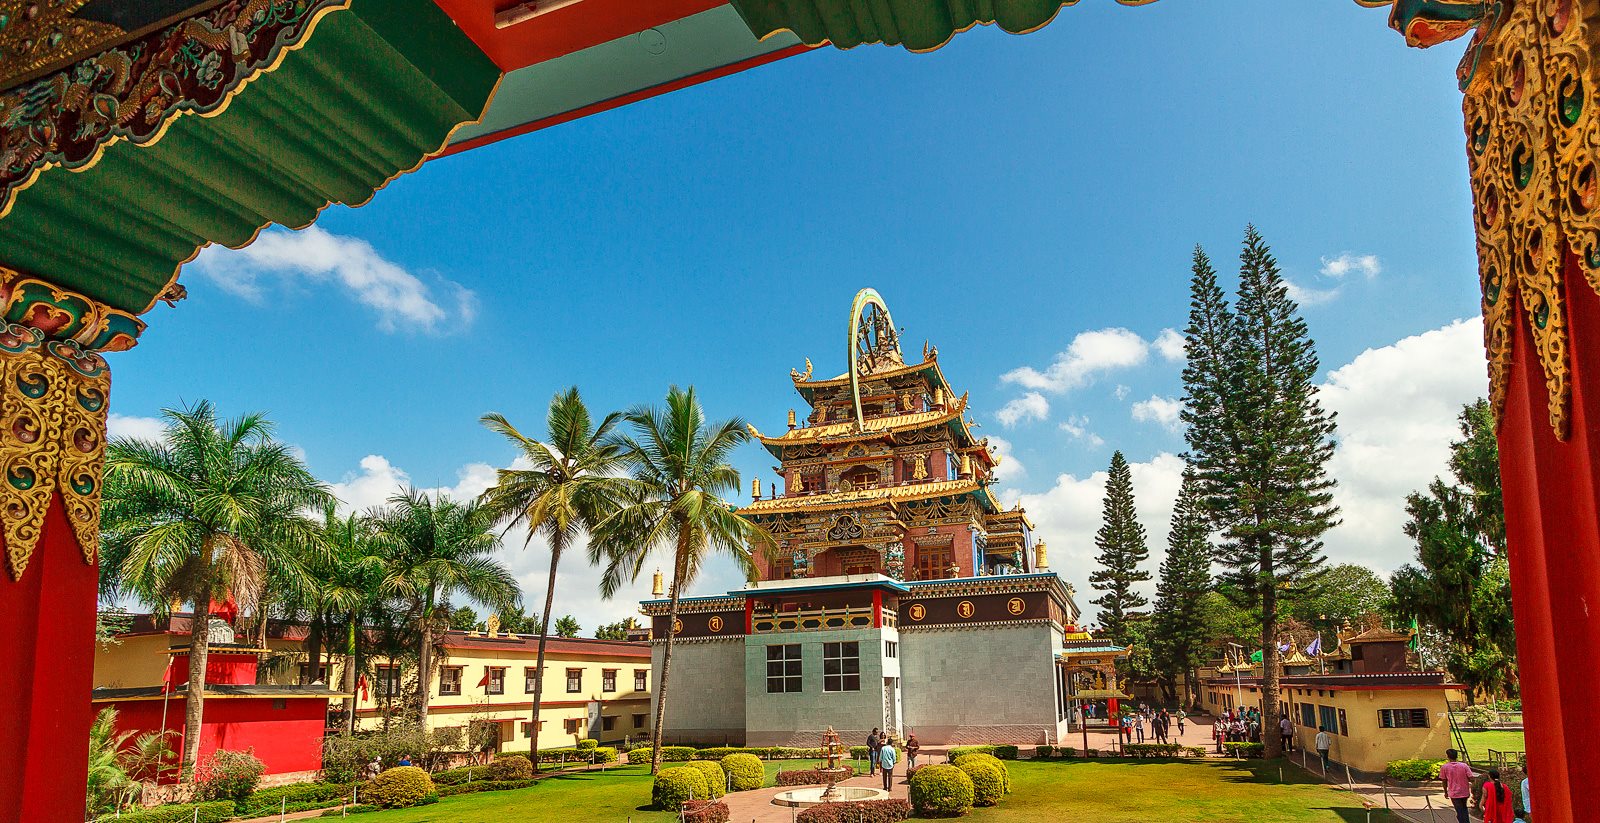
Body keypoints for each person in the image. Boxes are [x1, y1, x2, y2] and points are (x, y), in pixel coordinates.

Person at [1439, 748, 1472, 823]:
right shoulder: (1464, 766)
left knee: (1459, 810)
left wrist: (1445, 792)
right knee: (1464, 808)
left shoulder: (1444, 767)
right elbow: (1471, 777)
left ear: (1448, 756)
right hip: (1464, 791)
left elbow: (1444, 781)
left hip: (1454, 792)